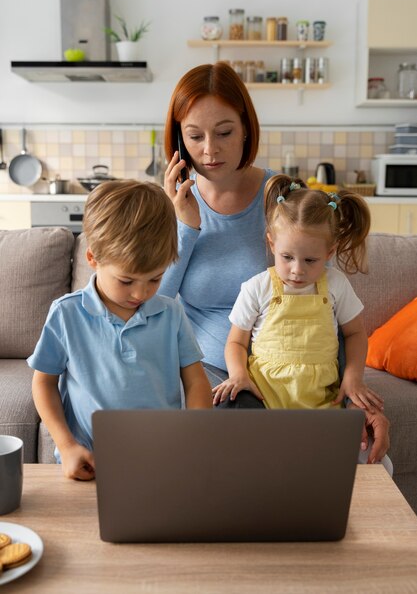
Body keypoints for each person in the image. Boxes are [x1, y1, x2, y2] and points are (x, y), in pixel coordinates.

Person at [161, 61, 390, 465]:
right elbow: (153, 301)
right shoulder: (173, 202)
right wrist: (186, 227)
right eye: (194, 137)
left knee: (358, 458)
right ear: (178, 141)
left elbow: (319, 303)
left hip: (295, 366)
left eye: (225, 132)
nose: (210, 150)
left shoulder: (281, 196)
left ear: (247, 128)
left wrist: (352, 389)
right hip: (216, 368)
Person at [29, 180, 212, 481]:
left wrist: (195, 434)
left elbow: (195, 383)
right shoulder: (66, 313)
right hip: (92, 462)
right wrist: (67, 445)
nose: (140, 293)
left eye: (154, 279)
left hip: (163, 457)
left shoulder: (171, 313)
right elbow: (43, 384)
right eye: (126, 281)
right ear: (92, 259)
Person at [212, 174, 391, 471]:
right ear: (271, 243)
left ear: (329, 253)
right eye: (287, 257)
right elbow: (236, 341)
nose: (296, 270)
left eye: (310, 261)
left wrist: (353, 377)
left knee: (378, 463)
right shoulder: (257, 287)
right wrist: (238, 374)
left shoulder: (335, 284)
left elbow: (356, 333)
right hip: (265, 399)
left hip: (322, 403)